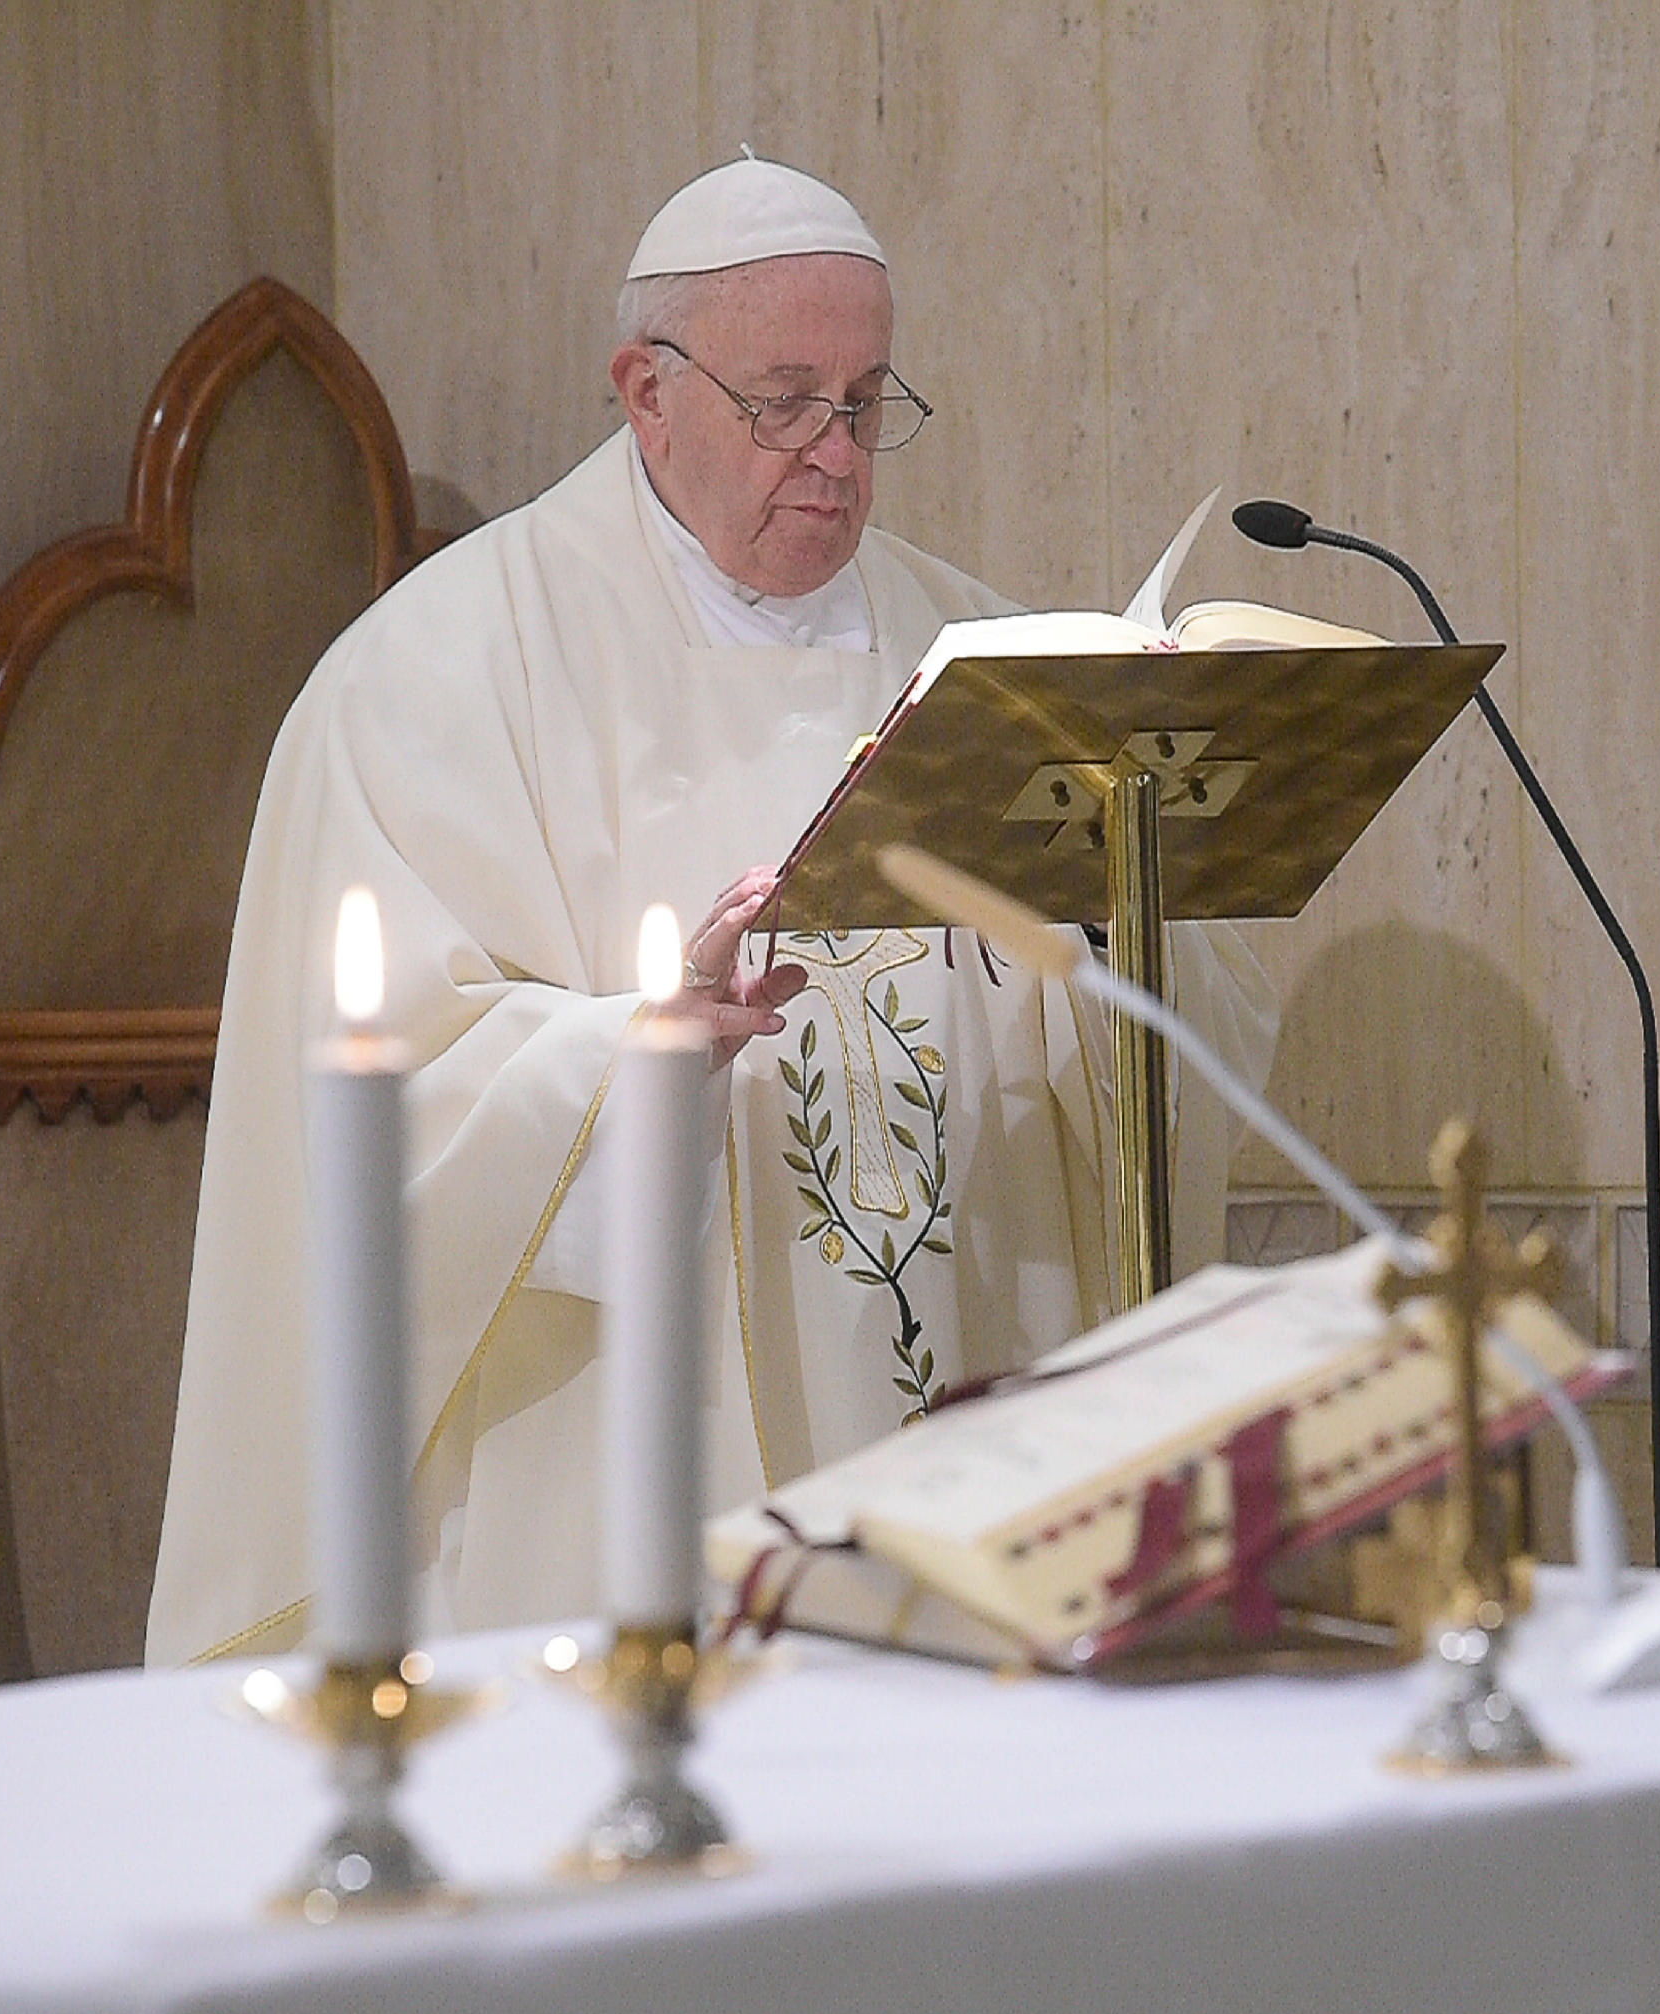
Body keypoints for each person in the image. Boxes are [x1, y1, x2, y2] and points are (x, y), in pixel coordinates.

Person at [144, 158, 1273, 1666]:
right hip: (607, 1487)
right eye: (784, 400)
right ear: (644, 390)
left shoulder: (990, 655)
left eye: (867, 403)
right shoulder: (437, 672)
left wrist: (1125, 927)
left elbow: (1155, 1050)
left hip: (968, 1461)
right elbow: (360, 1114)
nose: (836, 454)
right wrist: (641, 1056)